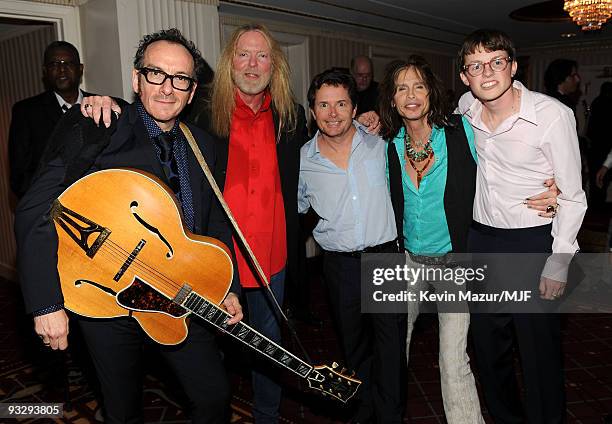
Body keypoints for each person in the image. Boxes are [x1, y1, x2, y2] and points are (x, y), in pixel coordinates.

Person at [80, 24, 307, 423]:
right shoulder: (201, 108)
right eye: (242, 54)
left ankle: (266, 416)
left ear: (276, 64)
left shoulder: (291, 116)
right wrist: (103, 101)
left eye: (263, 55)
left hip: (269, 255)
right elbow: (154, 106)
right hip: (202, 257)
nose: (252, 64)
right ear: (227, 61)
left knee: (267, 345)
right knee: (207, 359)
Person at [15, 28, 243, 424]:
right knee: (122, 407)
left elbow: (214, 223)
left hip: (178, 294)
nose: (167, 88)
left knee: (214, 395)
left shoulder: (204, 145)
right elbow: (36, 207)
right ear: (136, 79)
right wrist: (46, 303)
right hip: (108, 295)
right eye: (156, 73)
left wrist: (226, 287)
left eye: (180, 79)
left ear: (192, 92)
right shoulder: (100, 123)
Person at [457, 29, 587, 423]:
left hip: (533, 242)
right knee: (488, 347)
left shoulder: (551, 115)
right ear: (465, 77)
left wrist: (559, 260)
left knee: (537, 351)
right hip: (482, 239)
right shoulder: (466, 108)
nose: (487, 73)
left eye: (497, 62)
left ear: (513, 67)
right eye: (476, 66)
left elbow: (572, 194)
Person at [379, 55, 485, 424]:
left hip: (453, 262)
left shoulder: (460, 132)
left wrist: (547, 187)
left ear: (431, 92)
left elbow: (504, 163)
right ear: (391, 99)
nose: (411, 95)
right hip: (406, 261)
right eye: (401, 88)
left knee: (453, 359)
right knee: (393, 349)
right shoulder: (387, 144)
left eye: (419, 86)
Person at [299, 69, 406, 423]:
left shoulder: (382, 144)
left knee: (391, 348)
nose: (333, 113)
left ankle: (390, 416)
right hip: (339, 266)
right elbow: (293, 209)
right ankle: (363, 412)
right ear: (313, 111)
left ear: (354, 106)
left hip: (385, 258)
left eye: (341, 104)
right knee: (353, 345)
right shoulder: (301, 161)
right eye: (324, 105)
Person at [8, 41, 93, 199]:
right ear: (45, 71)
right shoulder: (26, 111)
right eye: (54, 64)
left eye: (68, 63)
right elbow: (19, 176)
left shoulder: (102, 105)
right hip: (50, 209)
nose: (62, 69)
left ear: (80, 68)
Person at [587, 82, 612, 208]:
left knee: (596, 179)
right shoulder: (604, 103)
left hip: (597, 147)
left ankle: (596, 205)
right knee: (602, 179)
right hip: (603, 146)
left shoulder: (596, 103)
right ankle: (598, 205)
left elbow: (590, 127)